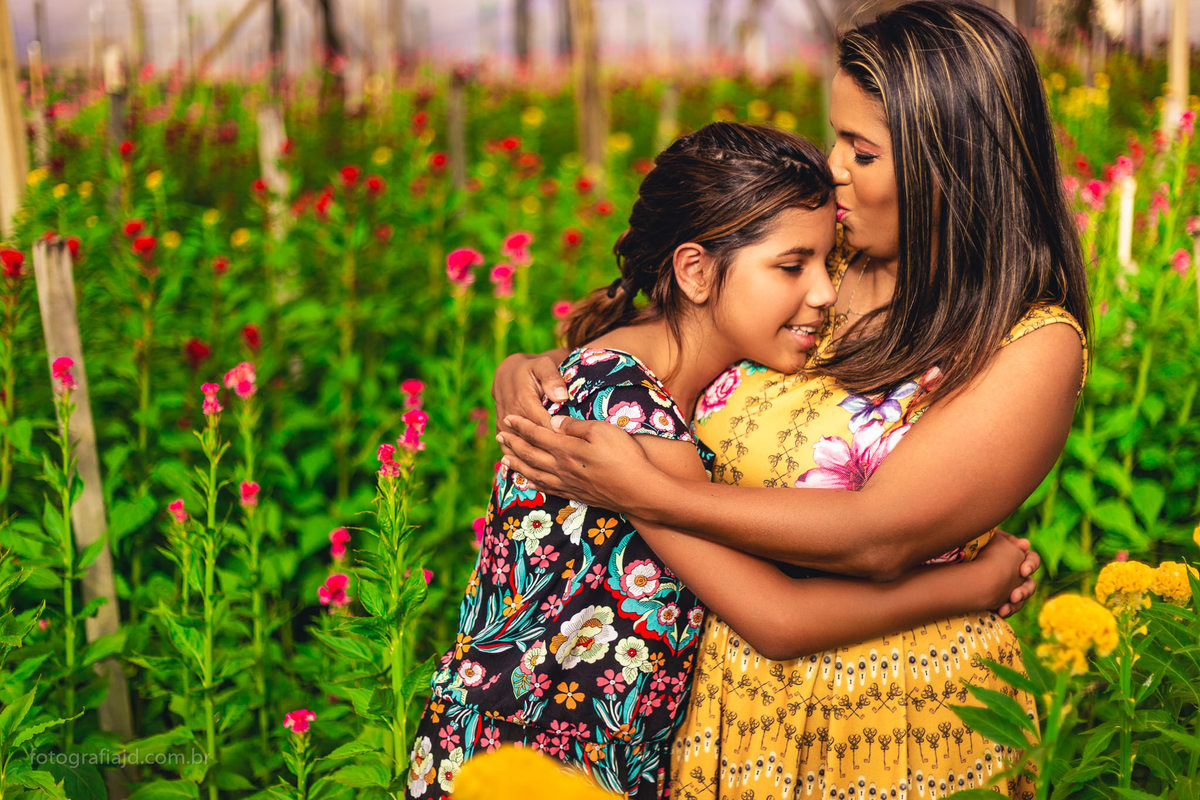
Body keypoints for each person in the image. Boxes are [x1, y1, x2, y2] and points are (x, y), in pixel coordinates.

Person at [492, 2, 1088, 798]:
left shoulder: (1029, 343)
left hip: (901, 722)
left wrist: (650, 493)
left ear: (951, 162)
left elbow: (875, 537)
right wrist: (536, 366)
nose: (833, 166)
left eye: (862, 151)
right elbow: (670, 335)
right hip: (726, 711)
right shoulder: (821, 256)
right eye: (836, 135)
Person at [408, 122, 1040, 800]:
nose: (826, 293)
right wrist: (972, 584)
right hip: (530, 768)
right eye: (792, 266)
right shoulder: (630, 415)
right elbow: (778, 620)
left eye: (828, 263)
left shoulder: (662, 375)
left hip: (541, 750)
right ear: (695, 271)